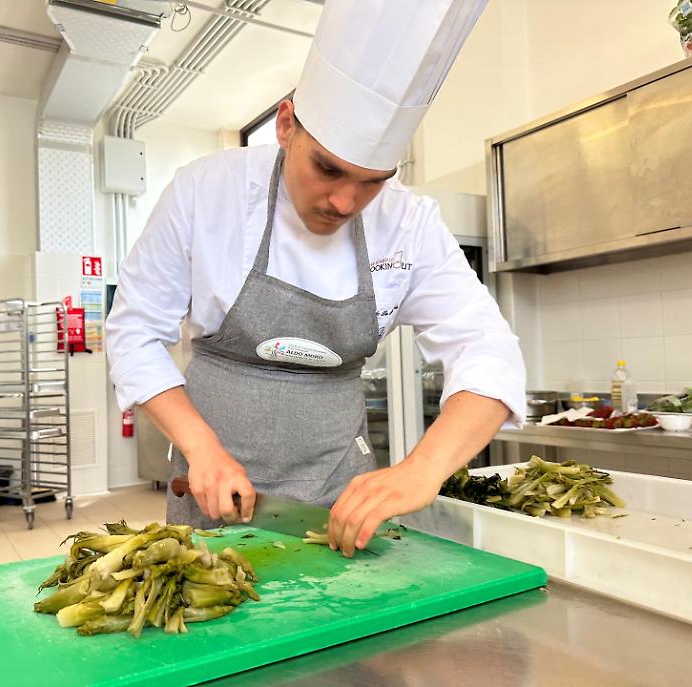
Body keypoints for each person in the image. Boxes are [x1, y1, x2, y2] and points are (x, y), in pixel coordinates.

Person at [106, 0, 525, 556]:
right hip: (212, 481)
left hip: (341, 494)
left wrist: (424, 469)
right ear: (285, 126)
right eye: (327, 168)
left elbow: (487, 347)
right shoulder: (205, 191)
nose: (344, 202)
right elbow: (133, 333)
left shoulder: (410, 222)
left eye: (372, 181)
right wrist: (199, 447)